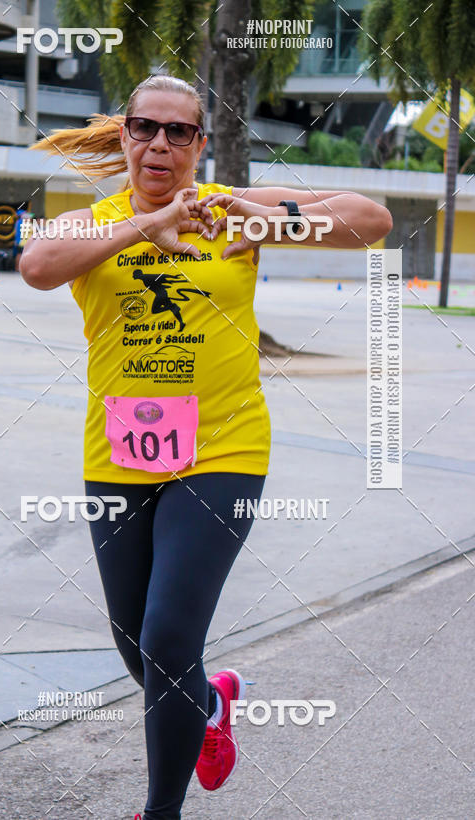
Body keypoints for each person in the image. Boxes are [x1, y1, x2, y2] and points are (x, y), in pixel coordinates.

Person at [20, 74, 392, 819]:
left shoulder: (228, 209)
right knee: (140, 647)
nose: (160, 144)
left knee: (166, 638)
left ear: (199, 143)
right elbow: (36, 266)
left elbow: (370, 218)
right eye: (145, 128)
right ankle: (212, 706)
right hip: (119, 455)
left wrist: (268, 217)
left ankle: (160, 812)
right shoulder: (95, 223)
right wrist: (145, 226)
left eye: (178, 131)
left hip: (224, 449)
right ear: (125, 135)